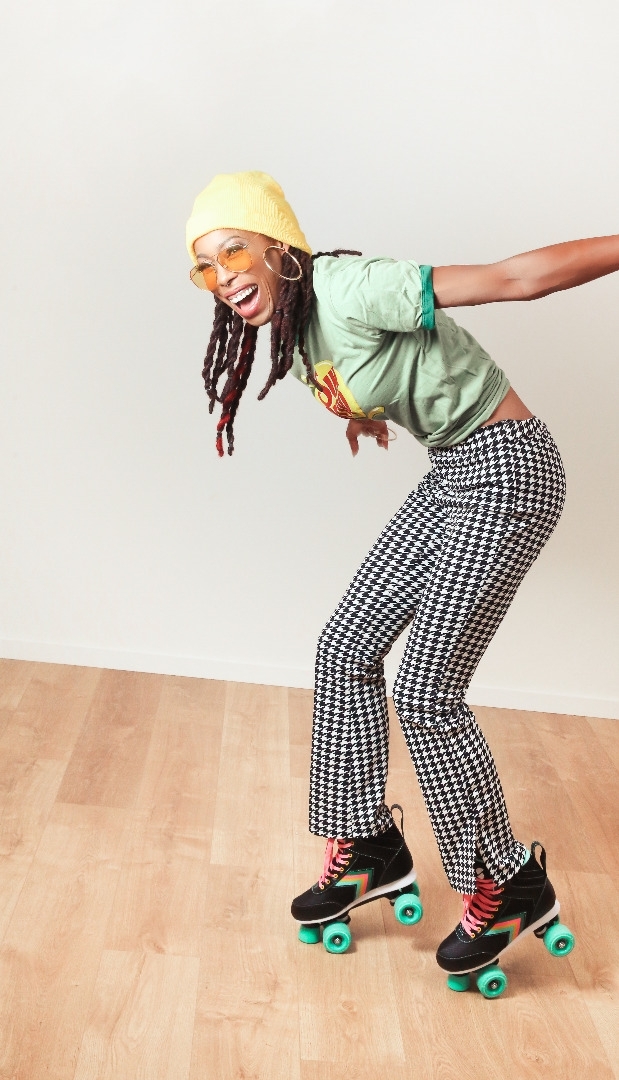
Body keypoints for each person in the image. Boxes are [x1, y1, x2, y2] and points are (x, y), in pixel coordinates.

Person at [185, 171, 617, 985]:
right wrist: (363, 418)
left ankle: (507, 880)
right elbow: (369, 377)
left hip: (509, 470)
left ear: (278, 246)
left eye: (234, 250)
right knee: (344, 646)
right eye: (204, 266)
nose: (222, 275)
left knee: (425, 689)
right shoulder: (297, 330)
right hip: (453, 472)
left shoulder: (352, 285)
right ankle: (369, 845)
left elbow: (514, 279)